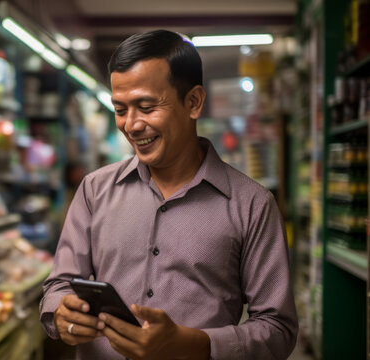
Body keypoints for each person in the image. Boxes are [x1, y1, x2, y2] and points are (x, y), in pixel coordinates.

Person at [40, 30, 298, 360]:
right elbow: (58, 286)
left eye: (146, 107)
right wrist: (62, 314)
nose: (131, 125)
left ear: (193, 102)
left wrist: (192, 345)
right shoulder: (94, 191)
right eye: (120, 109)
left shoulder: (252, 205)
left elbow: (278, 330)